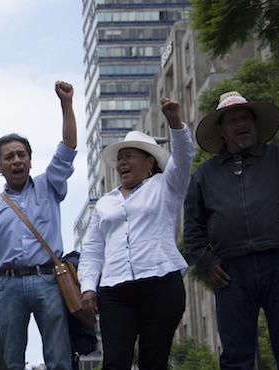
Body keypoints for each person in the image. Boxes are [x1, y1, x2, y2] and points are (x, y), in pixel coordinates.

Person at [78, 98, 194, 369]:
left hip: (161, 282)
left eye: (129, 156)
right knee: (115, 360)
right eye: (119, 158)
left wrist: (174, 121)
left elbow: (185, 154)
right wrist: (87, 288)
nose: (122, 163)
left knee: (154, 360)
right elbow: (93, 250)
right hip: (115, 290)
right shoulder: (105, 202)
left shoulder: (167, 185)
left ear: (150, 161)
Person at [184, 91, 279, 369]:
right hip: (231, 272)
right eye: (233, 120)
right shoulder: (204, 174)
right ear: (221, 129)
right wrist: (206, 261)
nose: (241, 123)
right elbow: (192, 228)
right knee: (236, 355)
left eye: (246, 117)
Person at [0, 81, 77, 370]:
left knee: (59, 357)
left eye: (22, 155)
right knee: (10, 360)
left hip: (48, 280)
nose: (17, 160)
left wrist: (66, 104)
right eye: (9, 157)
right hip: (7, 286)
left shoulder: (50, 185)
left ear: (31, 161)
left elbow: (68, 148)